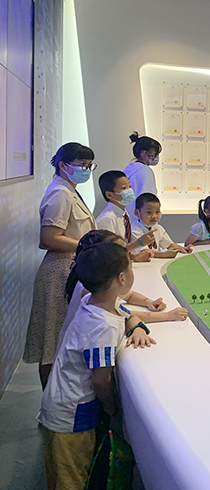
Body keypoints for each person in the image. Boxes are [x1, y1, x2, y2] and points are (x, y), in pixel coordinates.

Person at [39, 242, 156, 490]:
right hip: (72, 416)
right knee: (72, 479)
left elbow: (126, 314)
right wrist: (111, 407)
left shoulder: (94, 302)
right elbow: (100, 379)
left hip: (59, 405)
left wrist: (136, 326)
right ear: (122, 278)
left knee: (58, 475)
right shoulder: (102, 326)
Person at [24, 143, 98, 388]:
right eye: (82, 165)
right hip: (59, 271)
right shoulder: (60, 193)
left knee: (62, 338)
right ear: (63, 165)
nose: (86, 170)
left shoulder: (70, 190)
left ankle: (59, 396)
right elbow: (50, 238)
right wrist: (87, 246)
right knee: (53, 341)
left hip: (72, 268)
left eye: (90, 166)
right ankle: (51, 399)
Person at [60, 230, 188, 348]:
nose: (125, 255)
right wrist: (166, 315)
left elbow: (128, 299)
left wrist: (148, 302)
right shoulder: (92, 291)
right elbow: (123, 315)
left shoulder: (100, 280)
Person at [96, 170, 155, 262]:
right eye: (124, 188)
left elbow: (123, 245)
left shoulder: (123, 214)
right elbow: (109, 251)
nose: (129, 191)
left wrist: (134, 256)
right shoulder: (107, 219)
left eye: (130, 186)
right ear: (109, 195)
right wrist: (139, 243)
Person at [131, 193, 192, 258]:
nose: (154, 216)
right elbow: (145, 252)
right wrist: (165, 254)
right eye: (149, 212)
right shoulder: (134, 230)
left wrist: (182, 248)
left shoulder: (158, 228)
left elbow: (169, 245)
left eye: (157, 212)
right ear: (136, 213)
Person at [123, 132, 161, 220]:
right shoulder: (145, 171)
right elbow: (149, 201)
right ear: (144, 153)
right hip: (140, 220)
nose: (156, 157)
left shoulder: (128, 170)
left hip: (127, 219)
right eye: (155, 153)